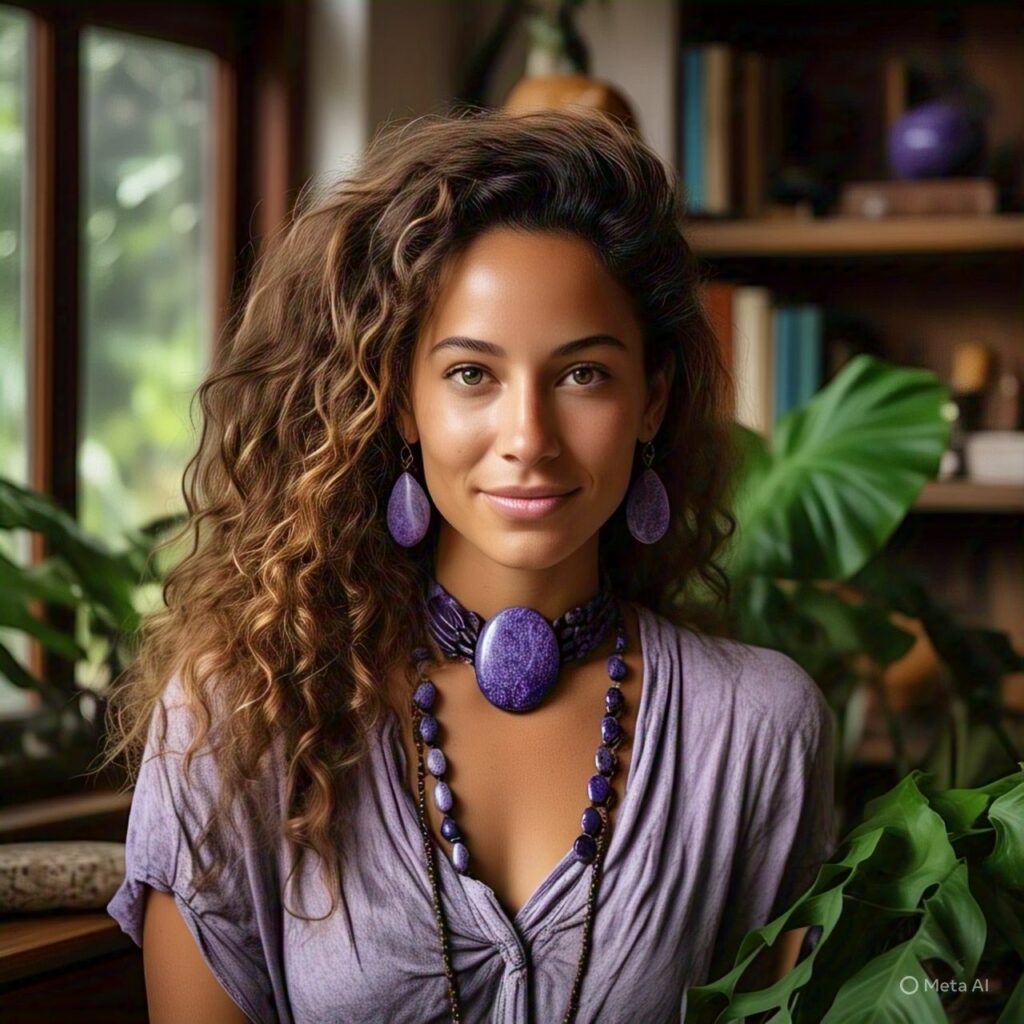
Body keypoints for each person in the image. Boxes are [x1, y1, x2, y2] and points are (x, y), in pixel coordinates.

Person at [103, 107, 836, 1024]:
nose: (527, 440)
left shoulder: (759, 729)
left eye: (582, 375)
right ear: (398, 400)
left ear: (651, 400)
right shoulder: (240, 711)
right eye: (470, 374)